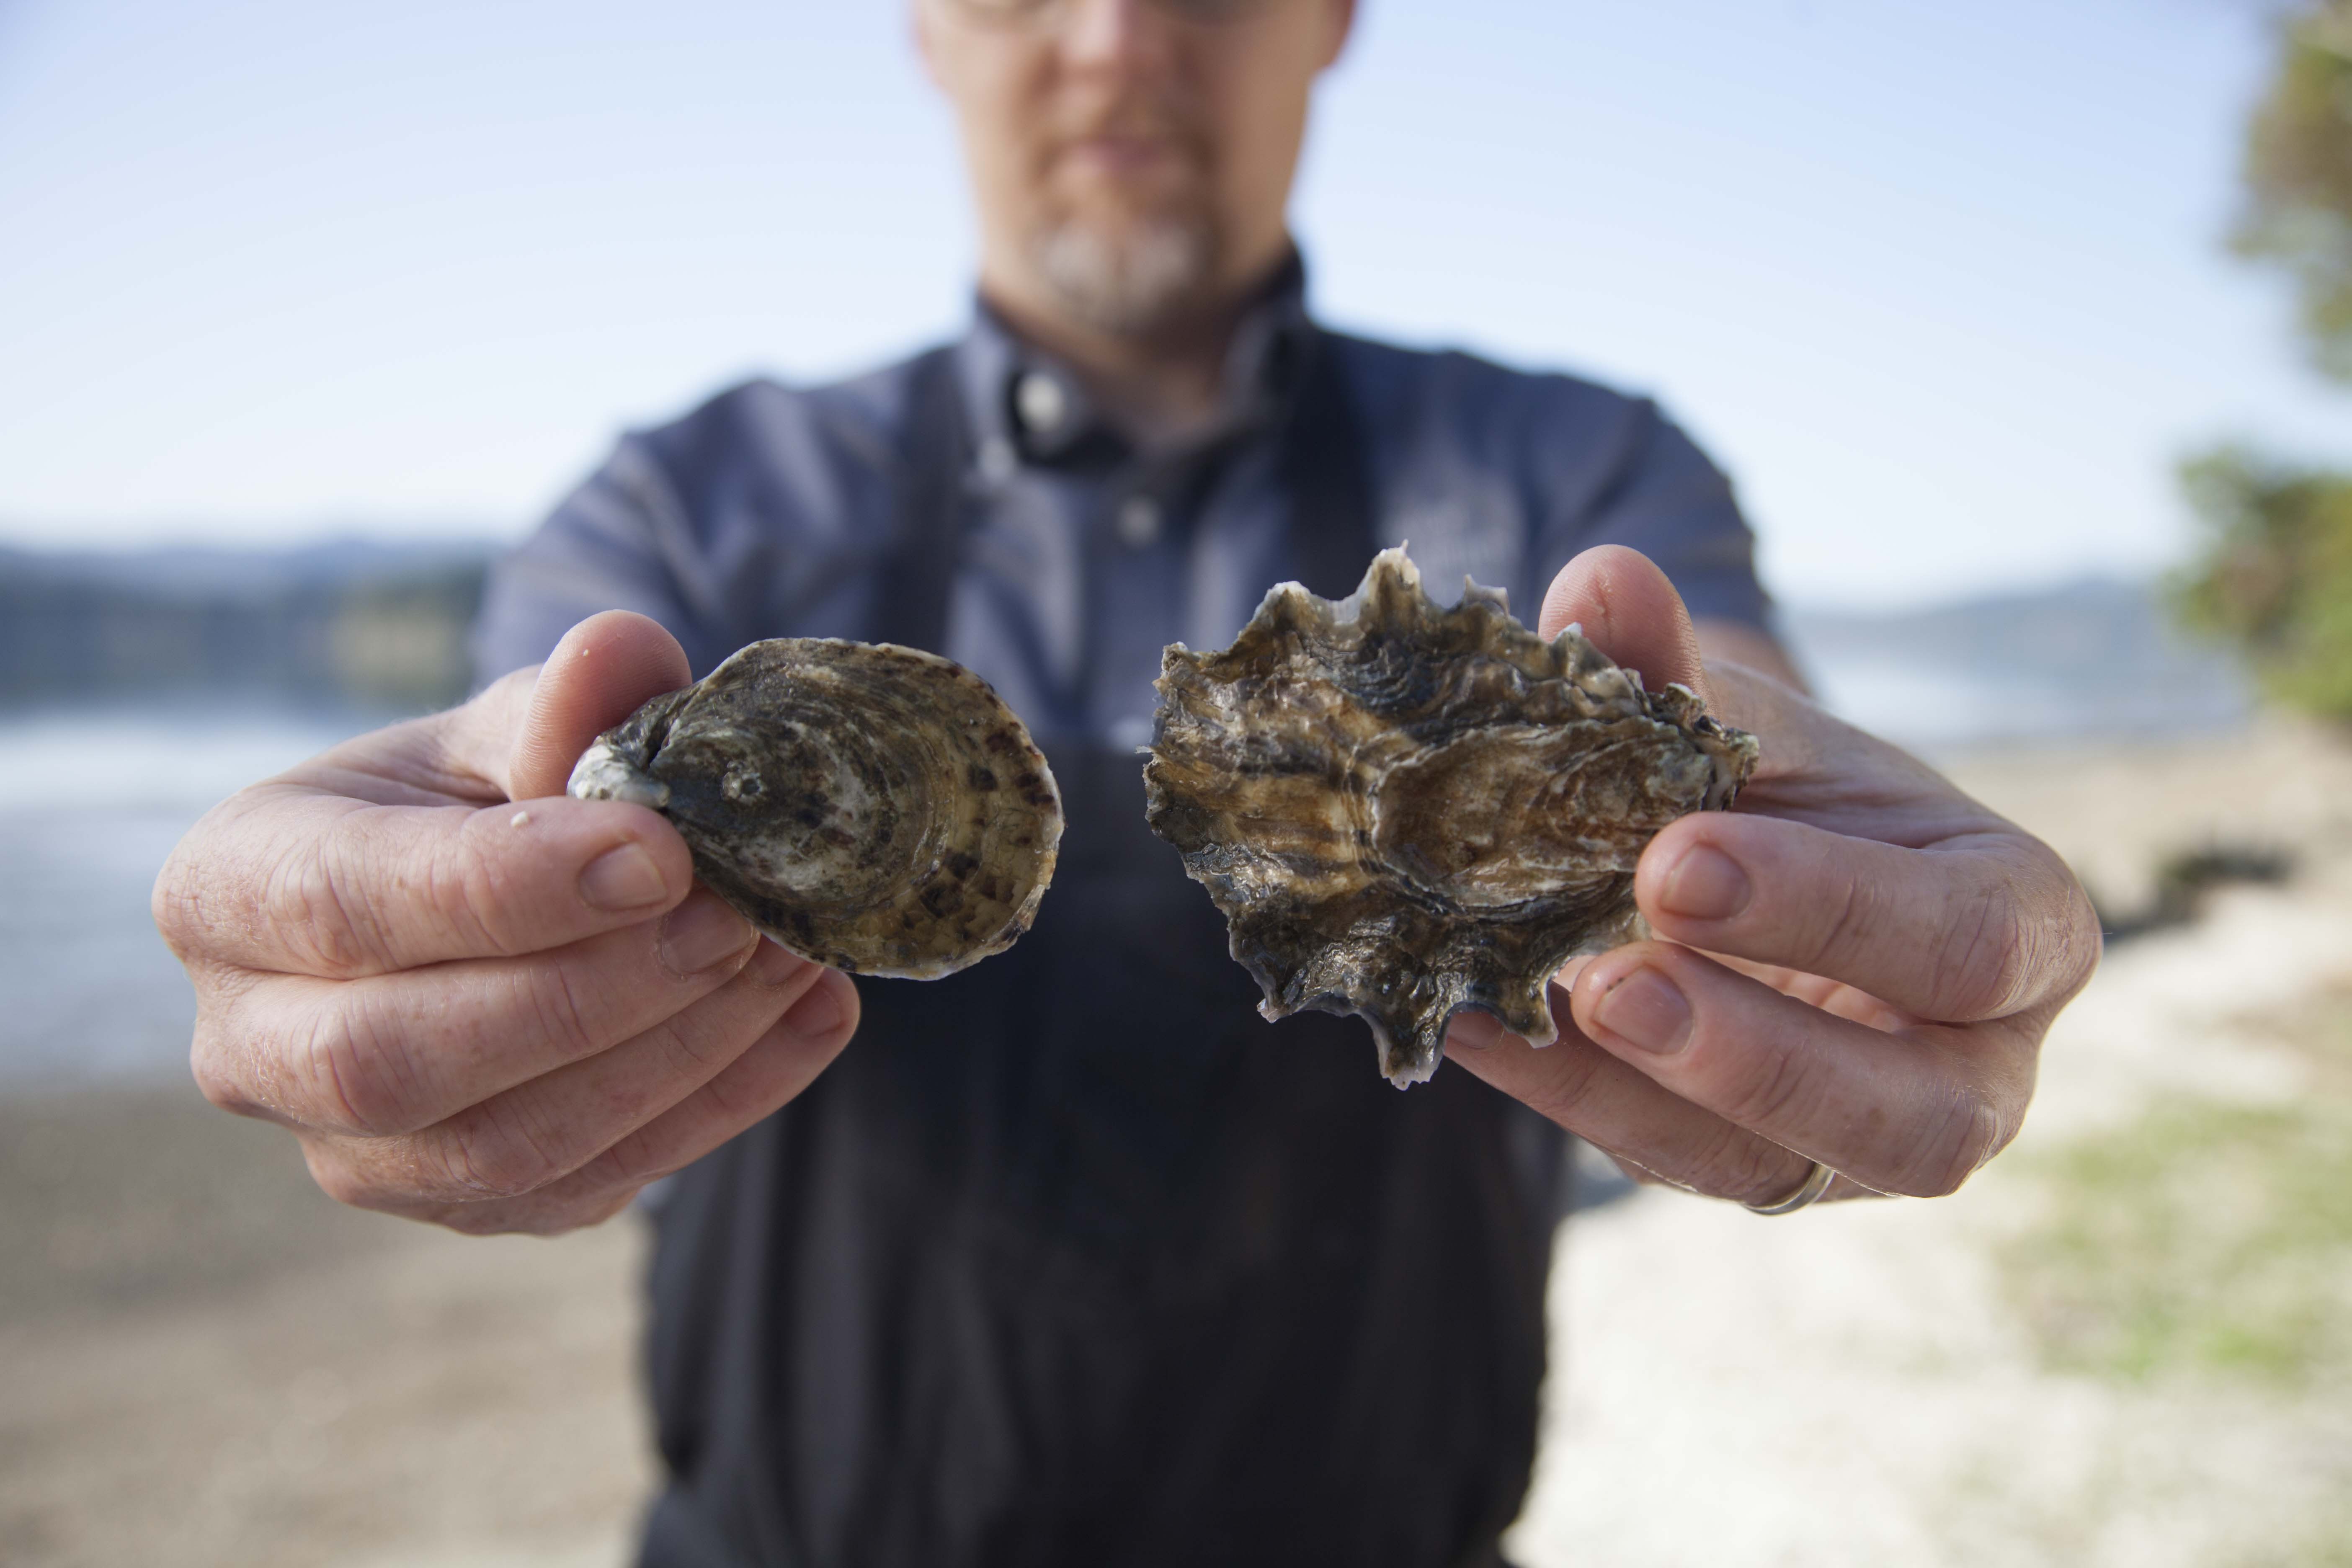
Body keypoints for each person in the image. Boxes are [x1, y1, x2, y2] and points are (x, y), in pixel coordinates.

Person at [153, 1, 2102, 1564]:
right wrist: (428, 950)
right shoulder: (687, 508)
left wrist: (1811, 922)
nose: (1115, 35)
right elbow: (520, 769)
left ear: (1332, 18)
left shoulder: (1574, 470)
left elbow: (1732, 711)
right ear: (924, 26)